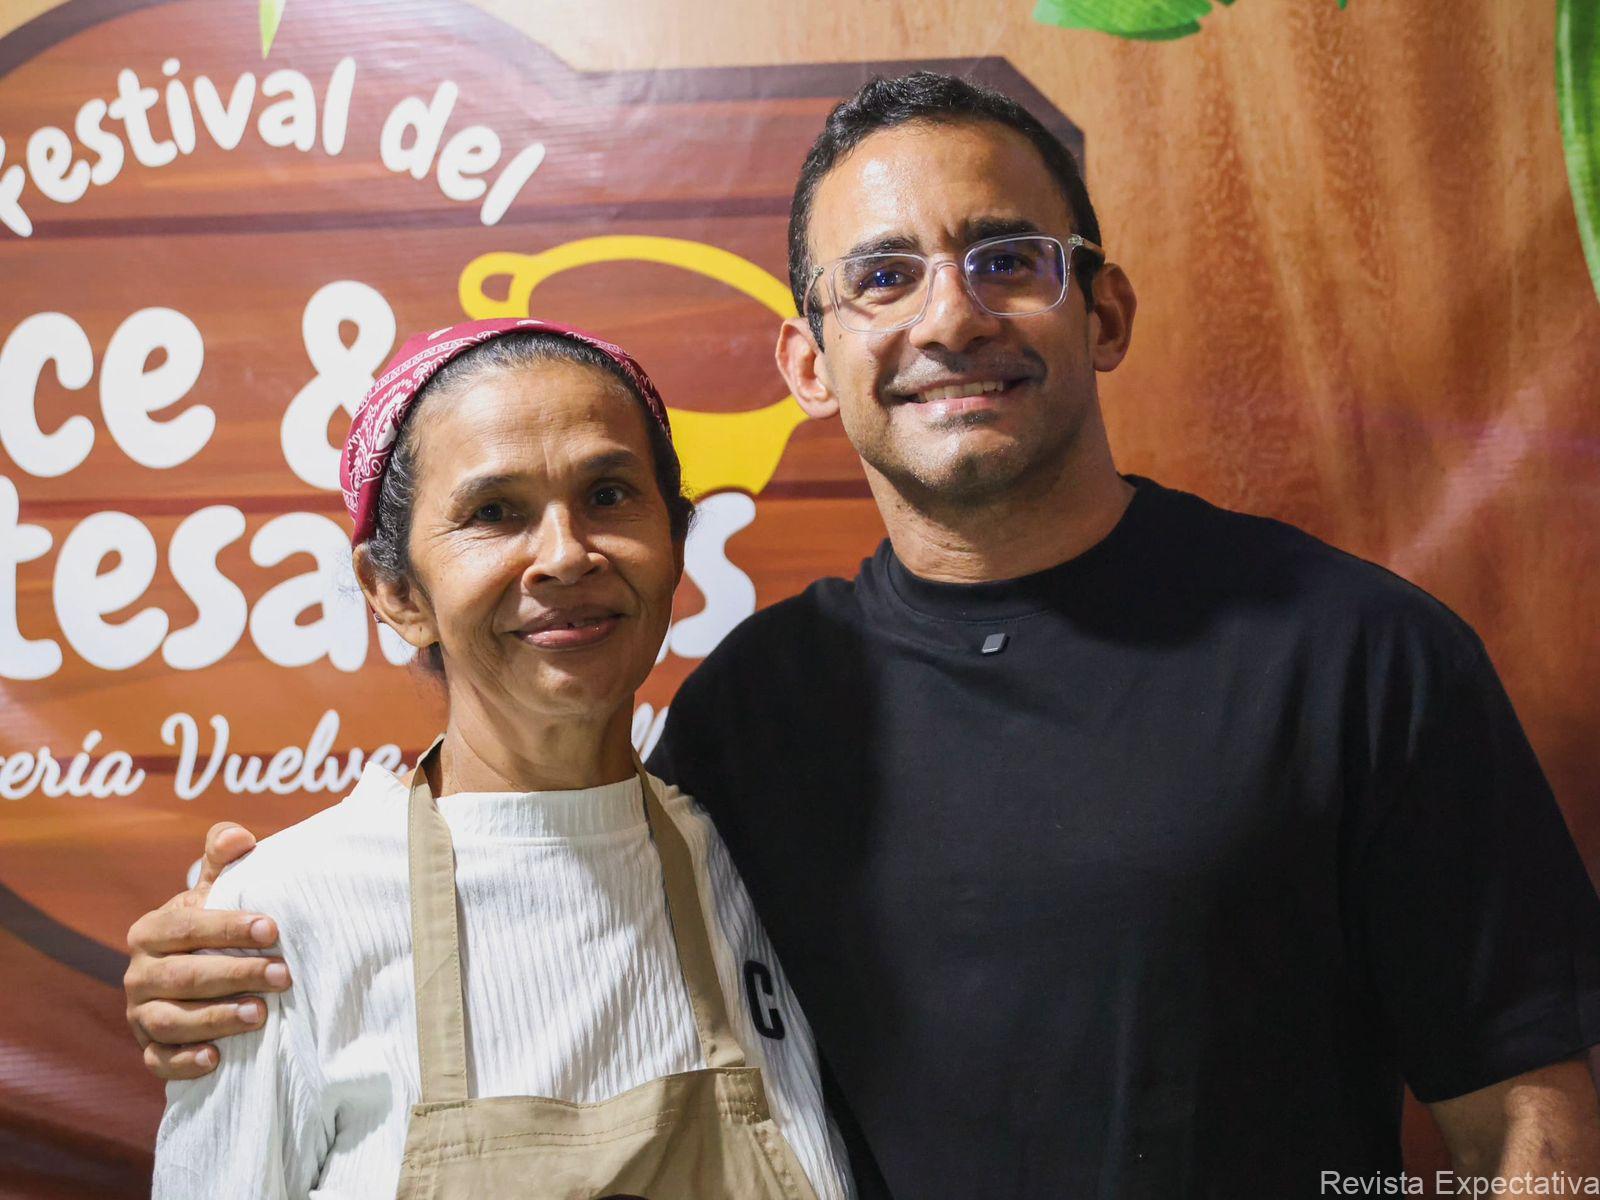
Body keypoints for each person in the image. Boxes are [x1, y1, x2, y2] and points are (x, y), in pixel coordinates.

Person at [127, 74, 1600, 1197]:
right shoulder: (754, 713)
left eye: (1007, 257)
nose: (950, 317)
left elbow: (1528, 1118)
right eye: (882, 277)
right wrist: (243, 945)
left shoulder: (1358, 657)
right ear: (809, 362)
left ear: (1103, 311)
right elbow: (545, 880)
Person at [147, 318, 854, 1199]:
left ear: (675, 544)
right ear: (395, 592)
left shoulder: (753, 864)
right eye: (493, 512)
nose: (565, 555)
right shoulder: (282, 921)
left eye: (607, 495)